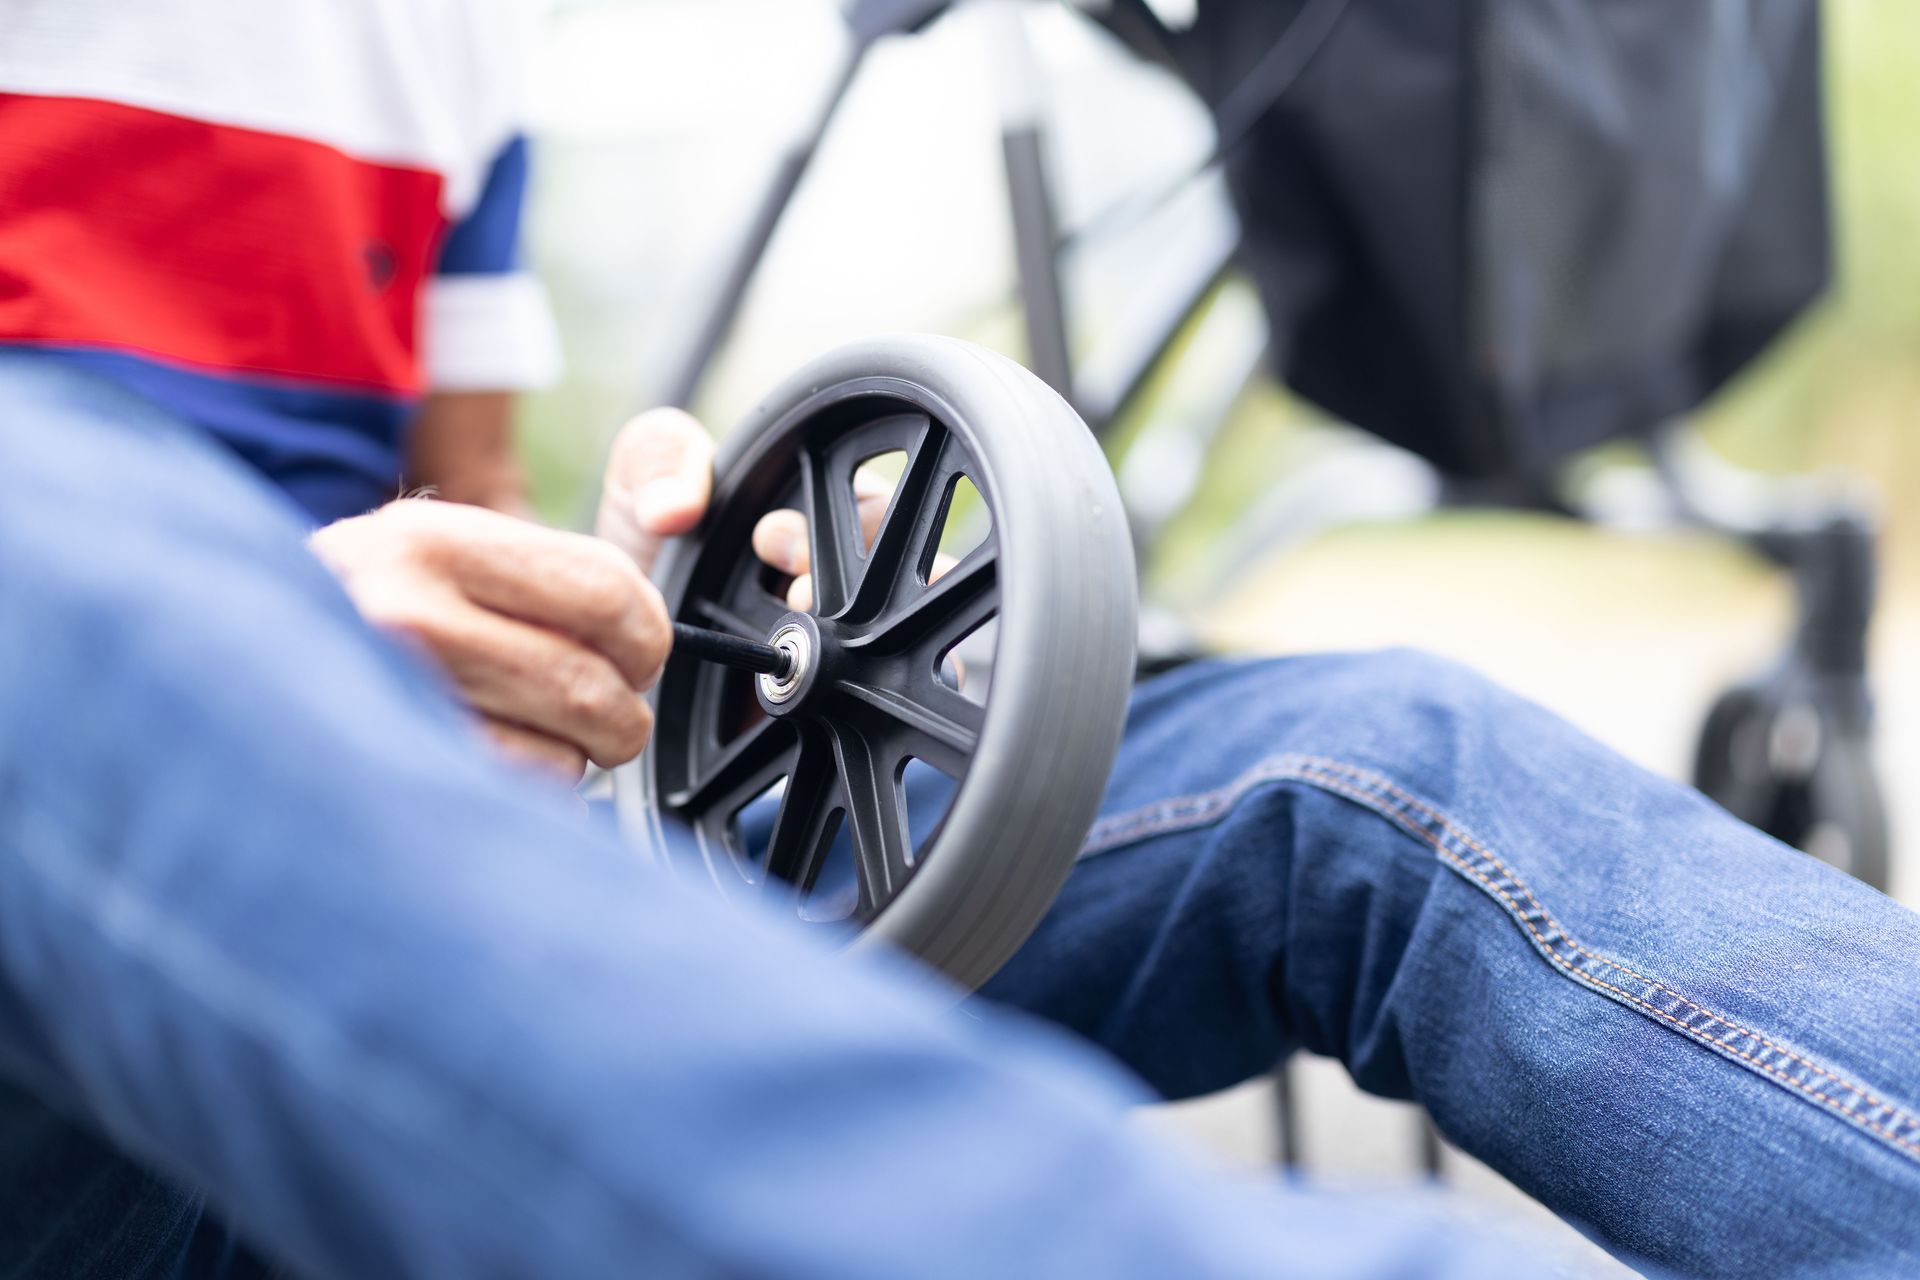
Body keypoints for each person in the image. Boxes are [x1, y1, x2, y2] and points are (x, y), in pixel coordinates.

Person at [4, 352, 1920, 1280]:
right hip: (73, 1028)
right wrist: (266, 643)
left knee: (1374, 764)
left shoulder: (410, 54)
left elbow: (465, 500)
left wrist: (623, 625)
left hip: (411, 859)